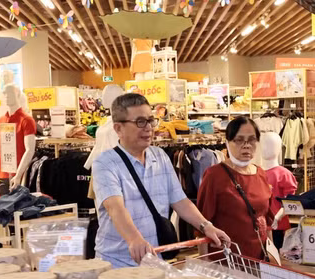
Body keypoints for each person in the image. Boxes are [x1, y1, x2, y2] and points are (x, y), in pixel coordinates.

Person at [92, 93, 230, 267]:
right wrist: (134, 239)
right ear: (118, 128)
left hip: (155, 258)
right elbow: (115, 207)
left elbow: (180, 201)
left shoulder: (160, 156)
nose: (148, 127)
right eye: (140, 122)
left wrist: (206, 226)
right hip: (117, 262)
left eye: (151, 120)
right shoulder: (105, 163)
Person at [197, 117, 274, 259]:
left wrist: (273, 255)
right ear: (228, 142)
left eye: (252, 139)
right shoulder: (214, 175)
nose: (246, 145)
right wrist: (204, 261)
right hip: (227, 260)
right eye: (239, 140)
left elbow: (267, 220)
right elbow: (202, 223)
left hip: (260, 259)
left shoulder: (261, 174)